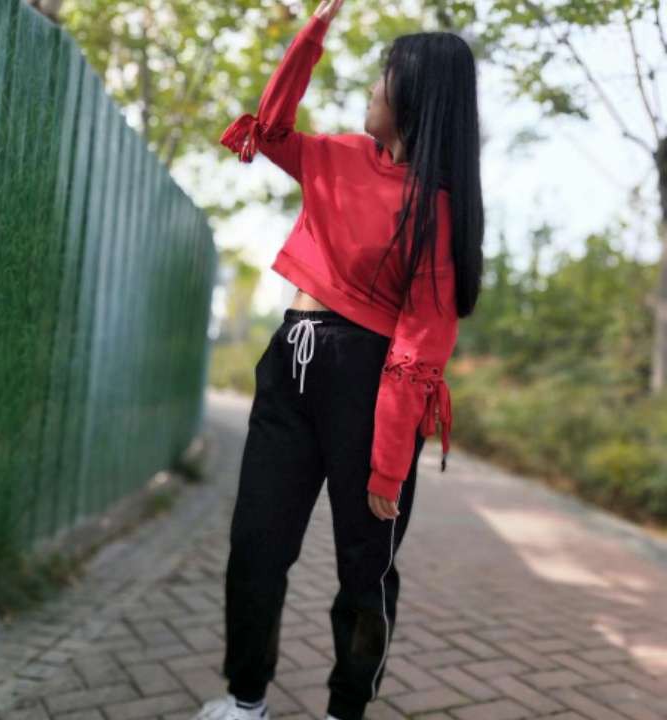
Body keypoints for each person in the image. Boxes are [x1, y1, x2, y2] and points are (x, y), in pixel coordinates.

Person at [193, 0, 484, 718]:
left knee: (365, 571)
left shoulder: (435, 210)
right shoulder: (338, 157)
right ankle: (245, 700)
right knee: (256, 545)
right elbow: (270, 128)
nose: (372, 88)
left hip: (368, 387)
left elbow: (421, 343)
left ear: (413, 97)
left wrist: (388, 463)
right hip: (288, 362)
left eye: (384, 76)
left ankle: (344, 710)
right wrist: (312, 34)